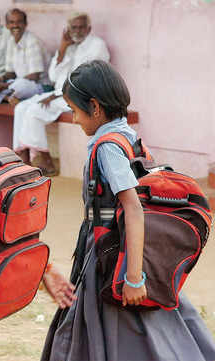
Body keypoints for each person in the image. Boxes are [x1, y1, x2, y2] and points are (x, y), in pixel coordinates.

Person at [40, 60, 215, 361]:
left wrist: (134, 277)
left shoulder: (107, 147)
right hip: (123, 248)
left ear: (94, 107)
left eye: (75, 110)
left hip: (111, 252)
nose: (74, 118)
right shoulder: (130, 138)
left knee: (111, 323)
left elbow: (133, 207)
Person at [12, 12, 109, 176]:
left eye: (81, 27)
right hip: (60, 94)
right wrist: (63, 49)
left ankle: (45, 159)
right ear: (68, 29)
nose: (77, 31)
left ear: (89, 28)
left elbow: (85, 78)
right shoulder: (68, 45)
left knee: (34, 111)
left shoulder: (97, 45)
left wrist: (58, 95)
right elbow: (53, 76)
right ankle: (24, 156)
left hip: (82, 96)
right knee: (21, 107)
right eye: (73, 27)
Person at [0, 8, 51, 106]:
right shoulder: (11, 41)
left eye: (19, 22)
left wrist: (3, 86)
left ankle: (4, 97)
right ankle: (6, 96)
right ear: (7, 25)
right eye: (11, 22)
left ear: (25, 24)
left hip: (40, 86)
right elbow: (10, 72)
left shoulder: (32, 41)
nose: (15, 25)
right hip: (17, 82)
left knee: (19, 86)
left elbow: (35, 76)